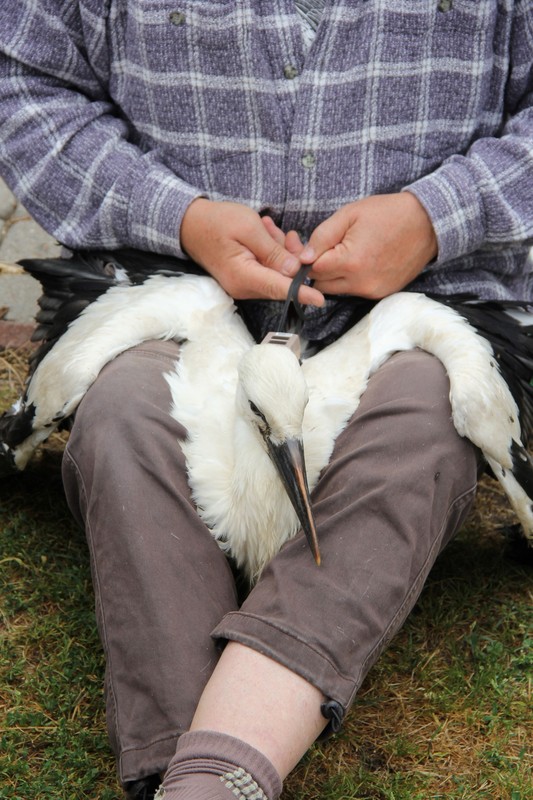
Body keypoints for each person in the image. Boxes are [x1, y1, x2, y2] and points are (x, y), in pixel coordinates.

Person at [0, 2, 532, 798]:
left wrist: (436, 215)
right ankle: (196, 777)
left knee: (420, 430)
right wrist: (176, 216)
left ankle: (208, 773)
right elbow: (26, 82)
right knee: (125, 422)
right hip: (174, 293)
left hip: (429, 299)